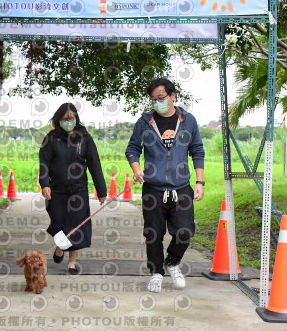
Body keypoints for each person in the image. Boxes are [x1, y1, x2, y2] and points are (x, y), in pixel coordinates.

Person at [125, 78, 205, 293]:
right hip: (153, 188)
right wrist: (136, 169)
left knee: (185, 231)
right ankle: (156, 273)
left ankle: (173, 262)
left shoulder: (188, 121)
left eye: (161, 98)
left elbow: (197, 150)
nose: (157, 102)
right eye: (154, 99)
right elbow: (132, 149)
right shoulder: (145, 122)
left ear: (172, 96)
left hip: (181, 187)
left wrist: (199, 182)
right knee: (153, 234)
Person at [39, 103, 107, 274]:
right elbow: (44, 162)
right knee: (58, 222)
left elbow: (94, 164)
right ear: (58, 120)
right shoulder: (51, 138)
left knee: (74, 226)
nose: (68, 122)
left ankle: (72, 262)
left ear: (76, 118)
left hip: (78, 190)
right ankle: (60, 246)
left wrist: (101, 190)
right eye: (65, 119)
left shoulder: (85, 138)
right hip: (56, 189)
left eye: (71, 118)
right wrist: (44, 184)